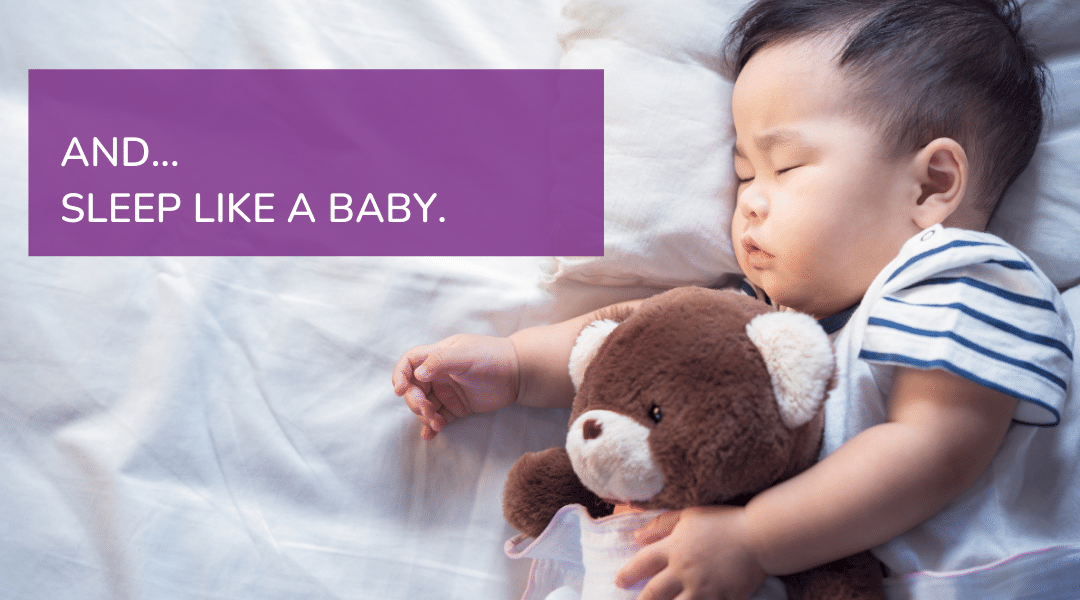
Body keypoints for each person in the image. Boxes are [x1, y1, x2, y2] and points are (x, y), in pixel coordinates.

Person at [393, 0, 1077, 598]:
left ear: (930, 185)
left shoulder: (965, 277)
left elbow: (934, 450)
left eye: (785, 166)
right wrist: (513, 365)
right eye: (744, 171)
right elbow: (634, 342)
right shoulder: (768, 319)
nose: (748, 199)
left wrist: (754, 539)